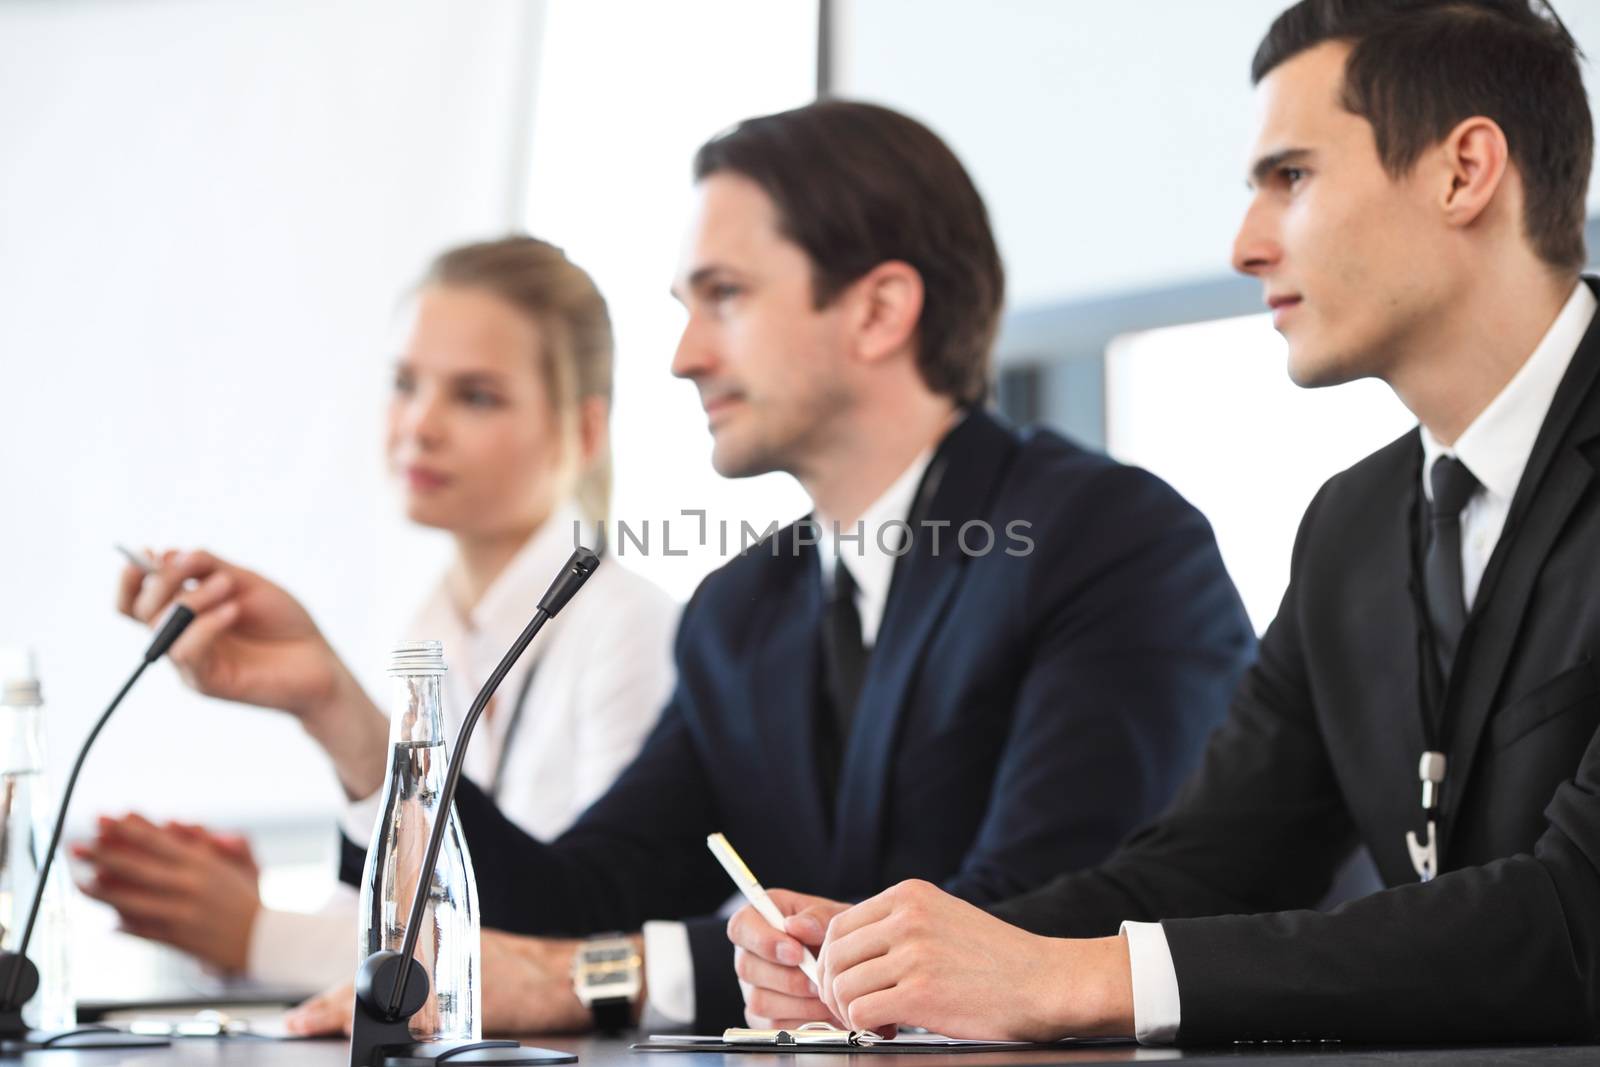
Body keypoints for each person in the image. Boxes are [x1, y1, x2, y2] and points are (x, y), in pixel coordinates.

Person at [129, 100, 1255, 1036]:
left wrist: (602, 978)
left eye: (724, 296)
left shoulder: (1108, 541)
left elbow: (1027, 930)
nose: (682, 356)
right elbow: (575, 899)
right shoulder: (743, 610)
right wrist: (337, 711)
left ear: (877, 307)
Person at [729, 0, 1600, 1047]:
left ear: (1464, 171)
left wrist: (1071, 978)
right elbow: (1210, 863)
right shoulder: (1352, 526)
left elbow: (1576, 912)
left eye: (1292, 177)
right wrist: (914, 960)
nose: (1243, 244)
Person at [80, 236, 678, 991]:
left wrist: (254, 932)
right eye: (404, 383)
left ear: (585, 432)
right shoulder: (428, 628)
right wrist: (223, 915)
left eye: (475, 395)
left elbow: (573, 946)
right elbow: (398, 931)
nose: (419, 424)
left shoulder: (633, 629)